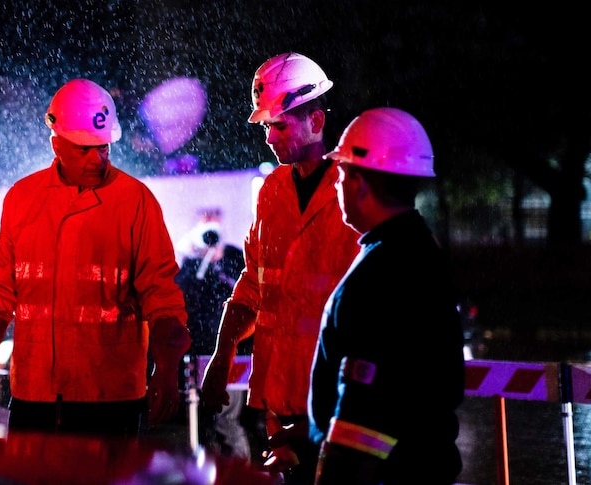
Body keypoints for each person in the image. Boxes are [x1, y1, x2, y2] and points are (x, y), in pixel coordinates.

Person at [0, 79, 191, 439]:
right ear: (56, 144)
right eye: (84, 149)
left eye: (103, 148)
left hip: (111, 401)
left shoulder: (136, 202)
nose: (97, 159)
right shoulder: (22, 200)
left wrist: (167, 368)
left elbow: (162, 296)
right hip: (34, 395)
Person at [201, 52, 360, 484]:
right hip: (278, 404)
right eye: (267, 126)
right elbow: (253, 286)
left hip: (338, 406)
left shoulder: (354, 195)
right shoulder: (270, 192)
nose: (269, 138)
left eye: (280, 125)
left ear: (317, 121)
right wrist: (222, 354)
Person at [306, 107, 465, 483]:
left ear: (359, 182)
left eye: (342, 172)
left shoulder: (378, 274)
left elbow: (363, 421)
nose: (336, 183)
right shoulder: (423, 254)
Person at [174, 220, 250, 458]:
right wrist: (192, 256)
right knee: (203, 422)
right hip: (200, 351)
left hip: (231, 353)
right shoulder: (192, 270)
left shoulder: (233, 264)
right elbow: (182, 295)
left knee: (226, 420)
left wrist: (217, 263)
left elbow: (242, 297)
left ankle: (239, 473)